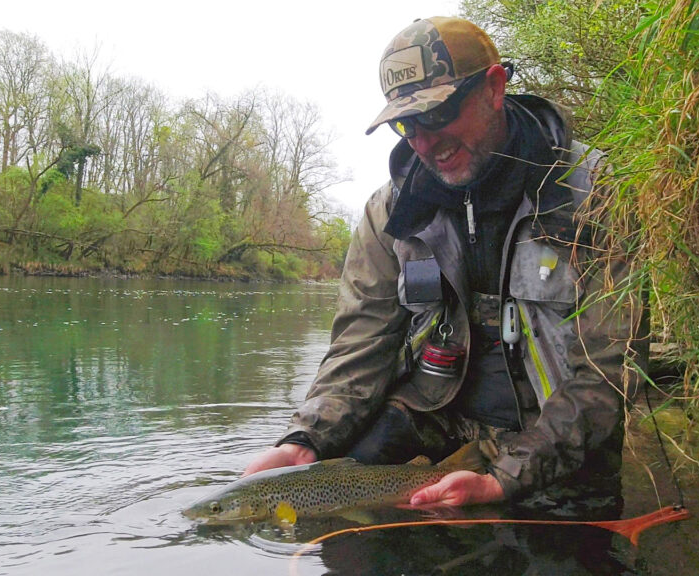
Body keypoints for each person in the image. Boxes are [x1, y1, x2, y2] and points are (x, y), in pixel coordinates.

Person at [244, 16, 647, 508]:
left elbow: (610, 371)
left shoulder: (596, 196)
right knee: (340, 534)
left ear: (494, 87)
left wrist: (503, 478)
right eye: (404, 124)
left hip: (552, 434)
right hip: (431, 418)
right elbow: (360, 342)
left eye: (435, 115)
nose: (422, 142)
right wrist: (305, 439)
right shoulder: (390, 212)